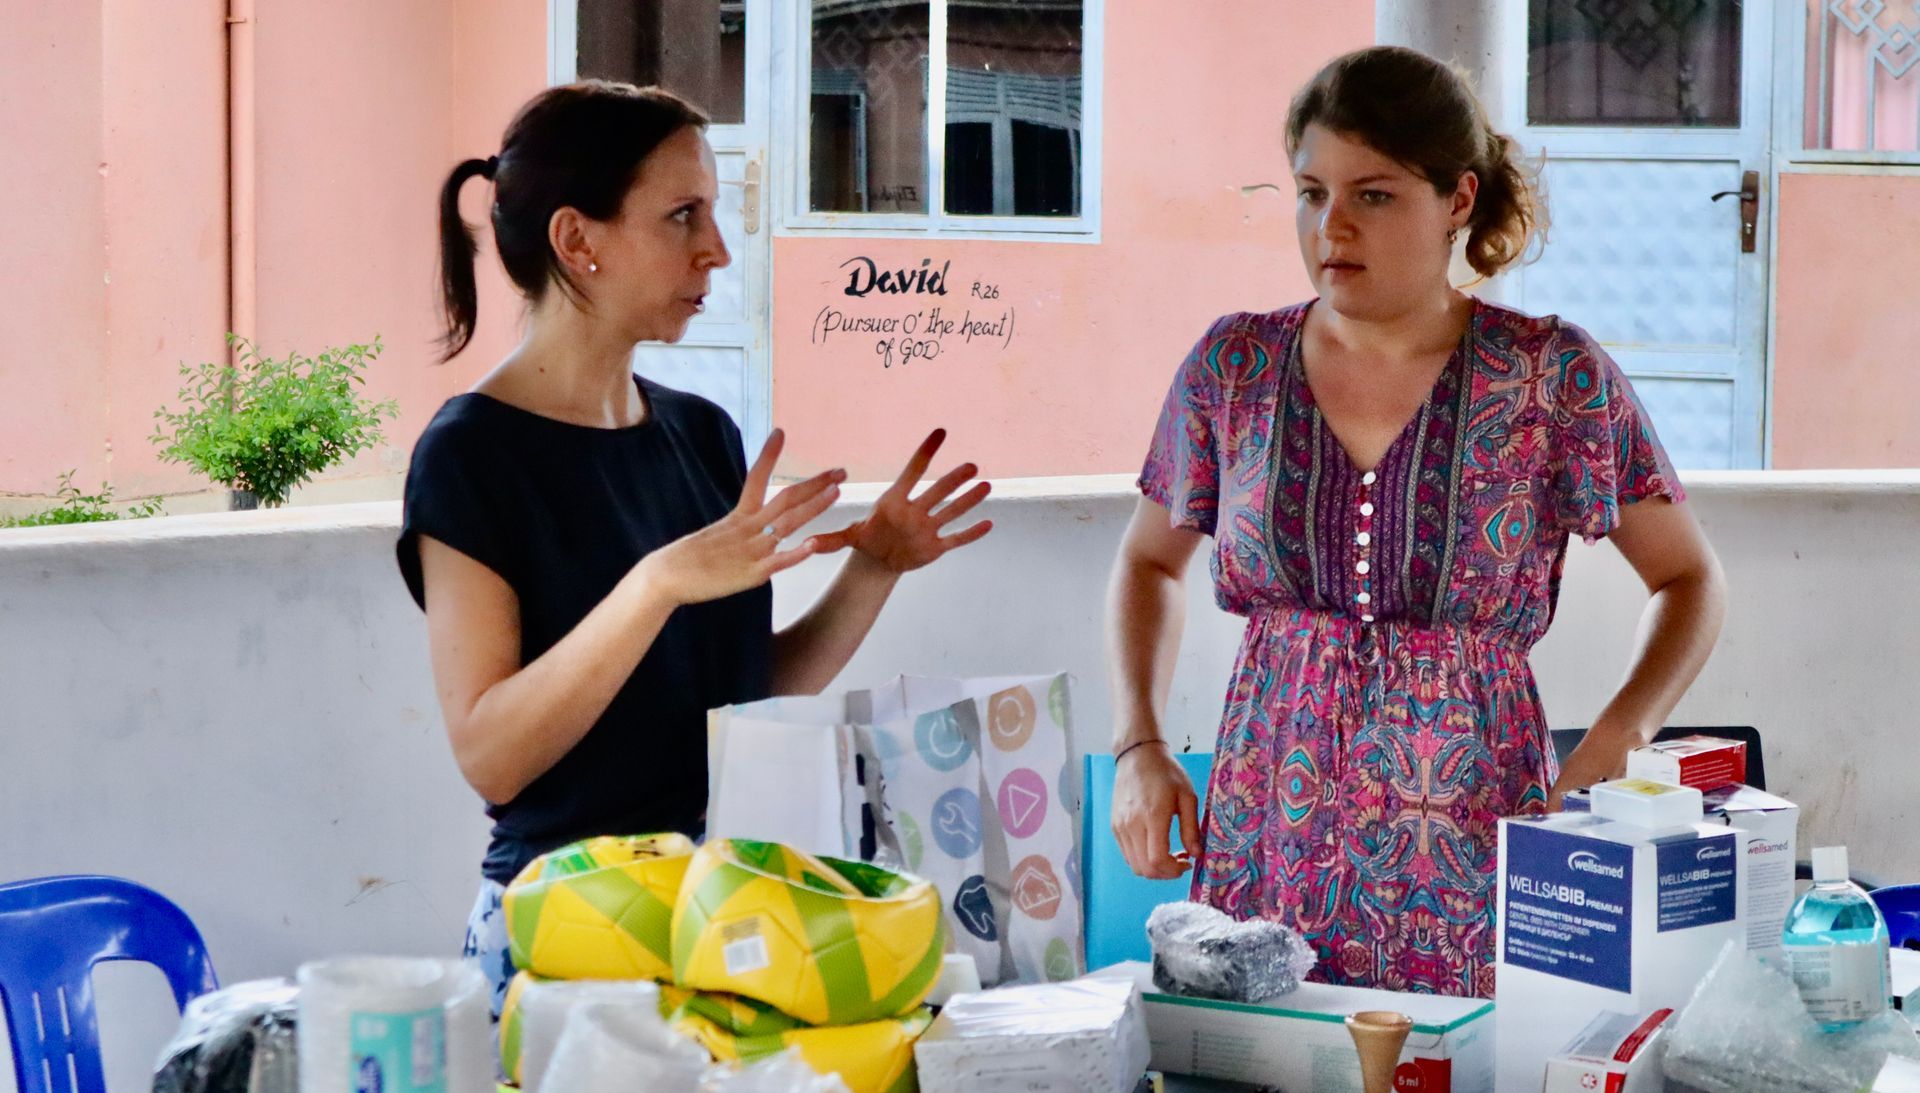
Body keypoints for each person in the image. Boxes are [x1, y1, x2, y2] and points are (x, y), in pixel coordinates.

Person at [1104, 47, 1726, 997]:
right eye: (1311, 192)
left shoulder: (1551, 377)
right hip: (1271, 826)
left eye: (1375, 194)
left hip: (1479, 840)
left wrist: (1618, 740)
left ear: (1458, 200)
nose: (1331, 225)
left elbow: (1690, 581)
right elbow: (1149, 562)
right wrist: (1140, 746)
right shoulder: (1232, 368)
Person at [400, 82, 992, 1013]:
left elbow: (740, 696)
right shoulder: (472, 455)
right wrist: (659, 583)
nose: (715, 248)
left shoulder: (704, 433)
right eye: (683, 216)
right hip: (562, 943)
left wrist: (871, 566)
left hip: (717, 924)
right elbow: (492, 753)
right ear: (576, 241)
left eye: (711, 215)